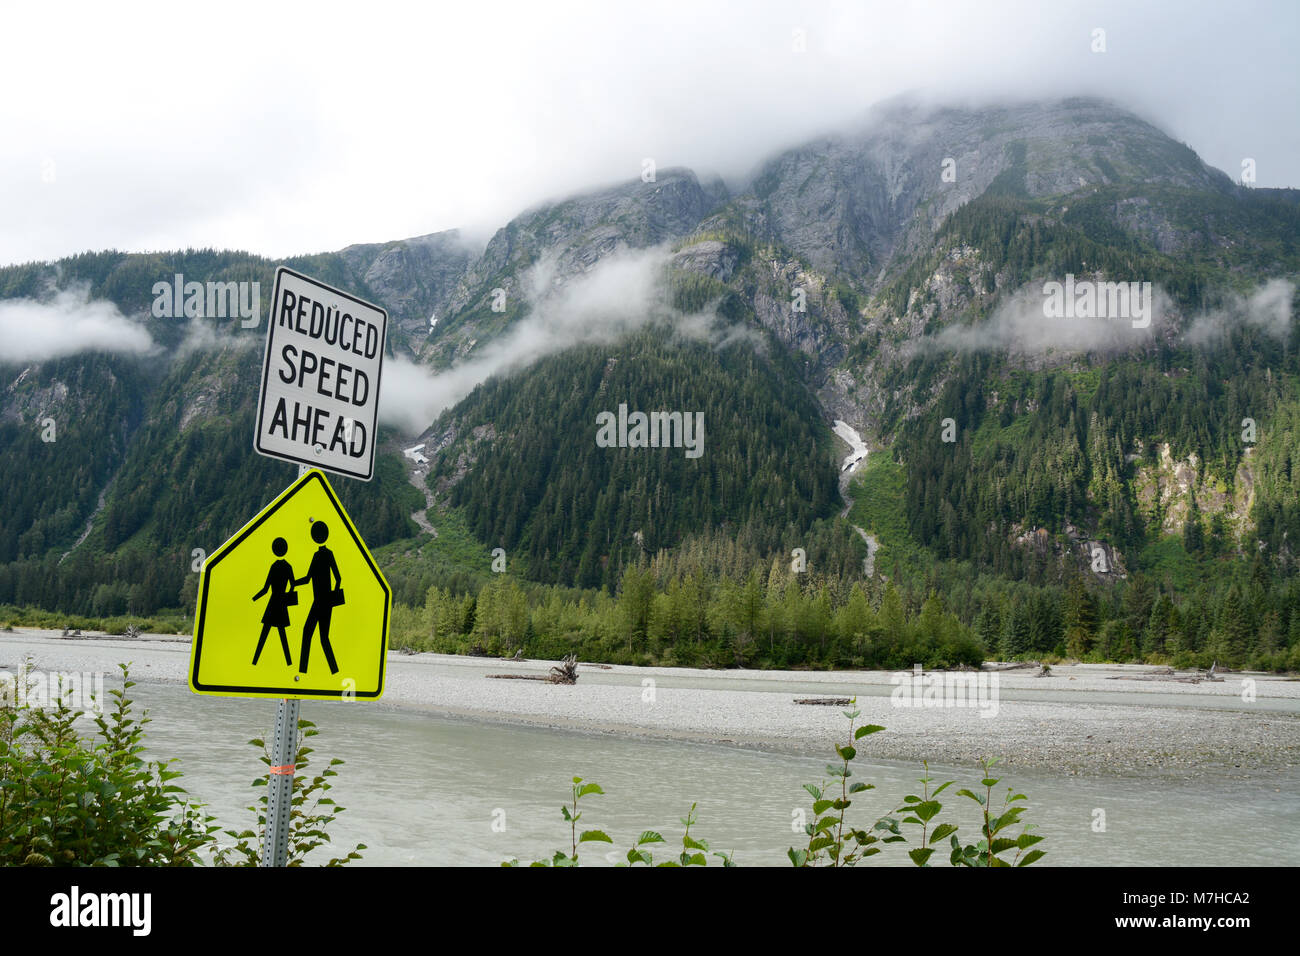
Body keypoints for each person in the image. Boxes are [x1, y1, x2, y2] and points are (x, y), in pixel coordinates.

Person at [295, 521, 342, 674]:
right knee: (320, 637)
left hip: (320, 602)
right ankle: (331, 670)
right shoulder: (327, 554)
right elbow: (337, 578)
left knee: (311, 633)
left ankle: (304, 670)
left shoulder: (321, 555)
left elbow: (309, 578)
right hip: (324, 602)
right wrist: (332, 595)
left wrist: (295, 583)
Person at [251, 537, 296, 666]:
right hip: (282, 603)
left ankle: (255, 661)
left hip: (273, 603)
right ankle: (289, 663)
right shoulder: (288, 566)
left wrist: (255, 598)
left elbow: (265, 589)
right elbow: (293, 584)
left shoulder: (274, 566)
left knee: (264, 634)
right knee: (282, 635)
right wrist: (288, 594)